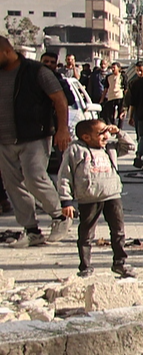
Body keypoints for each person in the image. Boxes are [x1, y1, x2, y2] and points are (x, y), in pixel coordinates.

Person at [0, 37, 70, 248]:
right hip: (4, 139)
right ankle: (31, 230)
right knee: (13, 186)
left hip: (35, 135)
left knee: (34, 178)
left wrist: (62, 128)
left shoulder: (36, 71)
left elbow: (60, 100)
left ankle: (60, 216)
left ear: (4, 52)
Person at [55, 118, 134, 278]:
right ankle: (86, 267)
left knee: (118, 231)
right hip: (89, 198)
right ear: (86, 137)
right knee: (86, 234)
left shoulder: (109, 147)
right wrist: (66, 201)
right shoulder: (75, 151)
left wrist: (118, 132)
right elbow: (64, 176)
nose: (106, 136)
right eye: (101, 133)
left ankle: (120, 263)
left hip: (112, 195)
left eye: (107, 131)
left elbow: (130, 146)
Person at [102, 63, 124, 129]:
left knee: (121, 114)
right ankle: (114, 126)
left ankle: (120, 128)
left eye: (114, 67)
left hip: (120, 96)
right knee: (110, 114)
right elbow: (106, 88)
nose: (113, 69)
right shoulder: (108, 77)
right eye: (112, 68)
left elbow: (125, 88)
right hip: (111, 96)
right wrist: (102, 98)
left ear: (119, 68)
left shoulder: (122, 76)